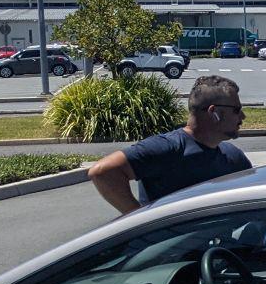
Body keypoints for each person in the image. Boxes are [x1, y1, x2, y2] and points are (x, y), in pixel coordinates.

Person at [89, 74, 251, 213]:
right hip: (171, 249)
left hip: (219, 248)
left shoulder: (234, 157)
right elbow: (102, 172)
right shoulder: (167, 148)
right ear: (213, 112)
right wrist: (141, 219)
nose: (242, 116)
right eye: (236, 110)